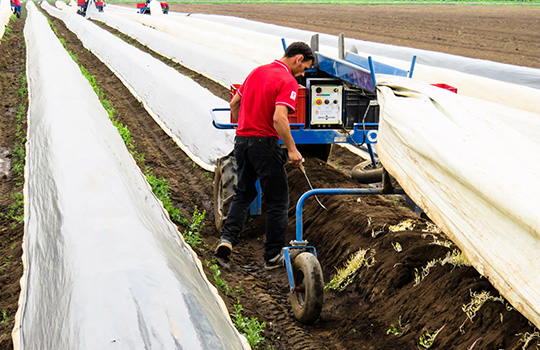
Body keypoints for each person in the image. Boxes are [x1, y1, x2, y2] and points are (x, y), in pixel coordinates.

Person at [215, 42, 315, 270]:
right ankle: (272, 256)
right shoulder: (287, 80)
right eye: (305, 67)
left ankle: (227, 239)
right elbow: (279, 118)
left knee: (244, 192)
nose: (303, 73)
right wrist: (292, 149)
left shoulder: (256, 72)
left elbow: (234, 103)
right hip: (264, 144)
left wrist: (244, 127)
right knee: (278, 201)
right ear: (298, 59)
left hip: (242, 142)